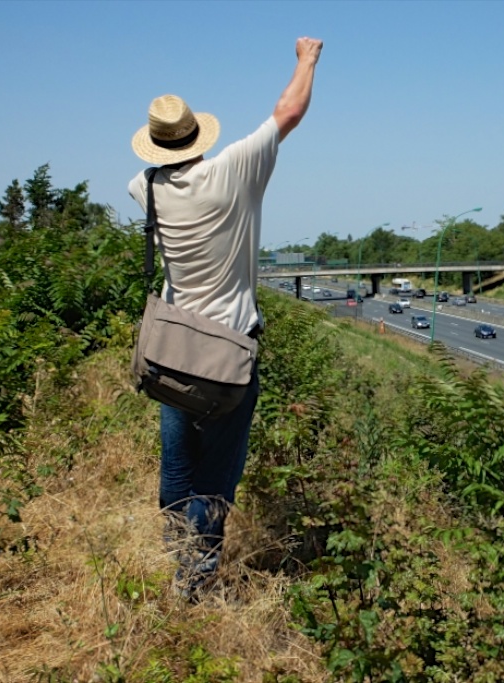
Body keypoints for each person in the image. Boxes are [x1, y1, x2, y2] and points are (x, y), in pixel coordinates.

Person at [128, 36, 323, 600]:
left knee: (177, 469)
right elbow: (289, 110)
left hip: (172, 351)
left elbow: (155, 177)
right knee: (215, 478)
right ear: (197, 135)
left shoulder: (145, 188)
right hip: (227, 356)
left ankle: (178, 562)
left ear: (156, 145)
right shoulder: (234, 171)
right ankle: (197, 583)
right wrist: (307, 59)